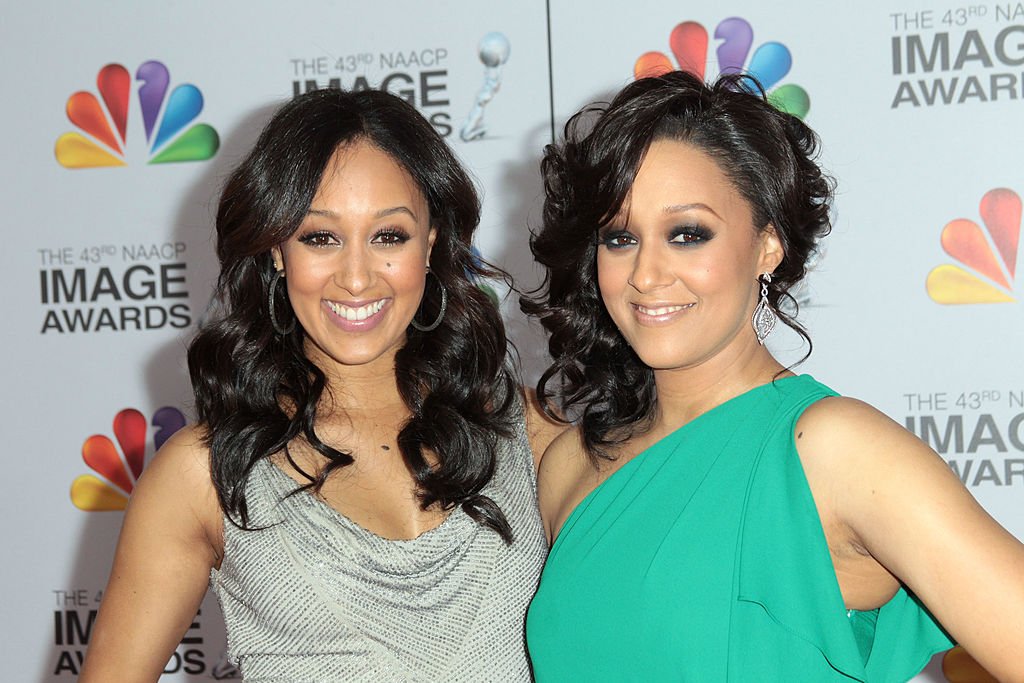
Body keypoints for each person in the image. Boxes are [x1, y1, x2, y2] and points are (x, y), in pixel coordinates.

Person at [522, 71, 1024, 682]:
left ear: (767, 245)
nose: (646, 275)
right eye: (620, 237)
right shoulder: (572, 463)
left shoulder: (832, 450)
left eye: (688, 234)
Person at [80, 88, 559, 682]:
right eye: (320, 237)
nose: (356, 278)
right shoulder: (201, 476)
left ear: (431, 244)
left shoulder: (529, 431)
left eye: (389, 236)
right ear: (277, 250)